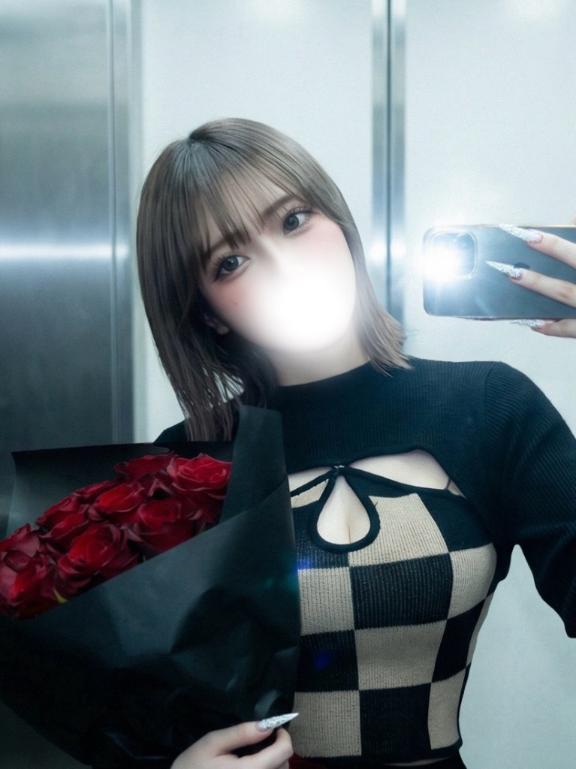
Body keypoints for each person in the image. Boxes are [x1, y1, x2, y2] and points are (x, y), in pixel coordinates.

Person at [137, 117, 576, 769]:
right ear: (207, 310)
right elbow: (142, 706)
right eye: (231, 261)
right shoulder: (184, 465)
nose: (285, 265)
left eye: (293, 221)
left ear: (339, 222)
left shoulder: (490, 406)